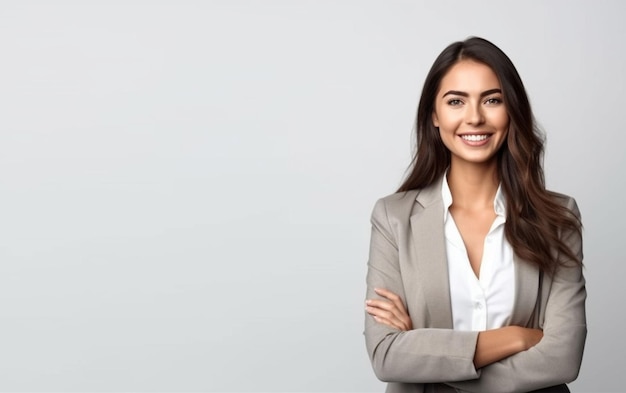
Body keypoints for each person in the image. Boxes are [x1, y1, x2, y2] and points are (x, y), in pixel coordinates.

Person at [363, 37, 586, 393]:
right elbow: (387, 356)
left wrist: (428, 358)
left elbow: (563, 357)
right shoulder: (393, 218)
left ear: (511, 110)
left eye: (492, 100)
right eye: (456, 101)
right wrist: (515, 337)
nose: (475, 117)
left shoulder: (557, 218)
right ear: (434, 115)